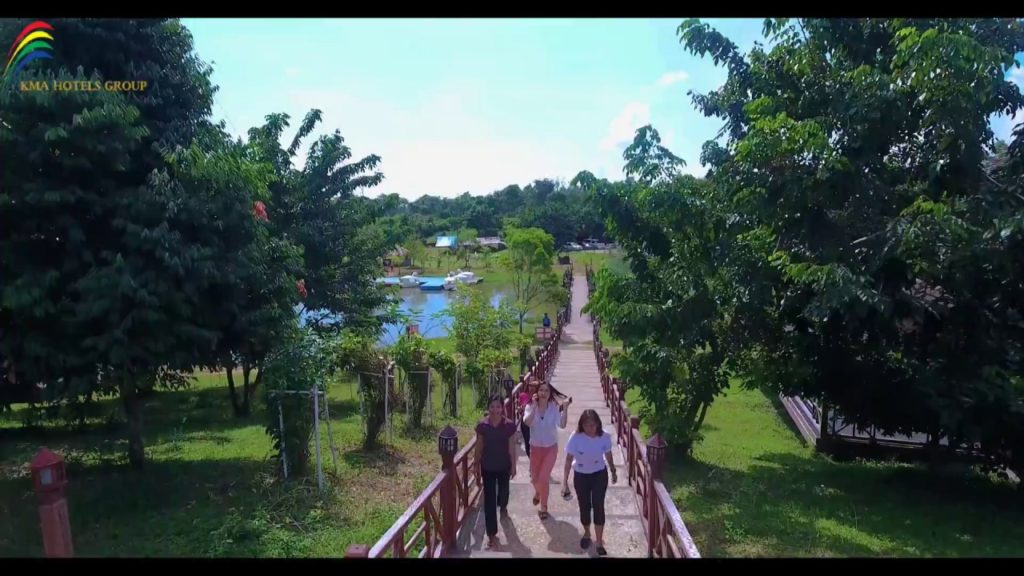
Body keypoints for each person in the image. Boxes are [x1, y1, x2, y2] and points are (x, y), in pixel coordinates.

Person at [562, 409, 617, 556]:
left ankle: (599, 542)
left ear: (597, 424)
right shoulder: (576, 437)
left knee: (598, 505)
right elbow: (568, 459)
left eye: (592, 425)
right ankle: (587, 533)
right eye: (586, 425)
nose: (589, 429)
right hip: (581, 476)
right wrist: (564, 482)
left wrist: (613, 470)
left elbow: (608, 455)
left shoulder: (604, 436)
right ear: (582, 425)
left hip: (599, 475)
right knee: (584, 506)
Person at [474, 395, 518, 549]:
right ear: (488, 408)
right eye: (492, 406)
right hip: (488, 467)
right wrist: (475, 465)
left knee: (504, 492)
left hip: (504, 466)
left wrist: (513, 465)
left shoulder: (508, 426)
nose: (495, 410)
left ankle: (503, 504)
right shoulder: (483, 426)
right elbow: (479, 447)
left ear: (502, 408)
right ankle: (491, 534)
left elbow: (511, 447)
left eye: (498, 406)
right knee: (489, 501)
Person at [523, 380, 571, 520]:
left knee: (543, 478)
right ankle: (538, 492)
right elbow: (527, 422)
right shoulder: (530, 406)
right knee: (535, 479)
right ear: (537, 392)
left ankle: (544, 506)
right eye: (541, 390)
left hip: (550, 448)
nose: (543, 393)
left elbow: (562, 425)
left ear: (550, 394)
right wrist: (534, 407)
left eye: (546, 391)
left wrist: (565, 409)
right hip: (535, 448)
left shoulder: (553, 408)